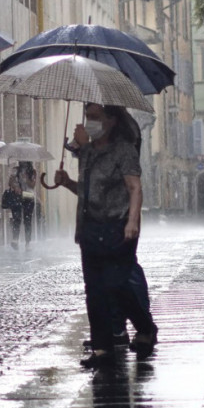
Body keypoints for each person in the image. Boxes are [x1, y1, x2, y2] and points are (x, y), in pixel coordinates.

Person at [54, 103, 158, 369]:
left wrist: (132, 221)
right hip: (90, 228)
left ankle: (145, 327)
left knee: (116, 285)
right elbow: (90, 192)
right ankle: (102, 348)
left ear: (111, 121)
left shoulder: (123, 150)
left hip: (118, 226)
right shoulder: (87, 153)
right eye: (88, 117)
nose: (89, 122)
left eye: (95, 117)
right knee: (94, 291)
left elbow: (134, 188)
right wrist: (66, 182)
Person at [1, 176, 25, 250]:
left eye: (16, 183)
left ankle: (15, 240)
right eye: (14, 182)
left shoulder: (20, 192)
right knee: (15, 223)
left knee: (16, 223)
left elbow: (24, 202)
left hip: (17, 212)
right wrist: (10, 206)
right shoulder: (7, 192)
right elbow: (3, 203)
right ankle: (14, 240)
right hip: (11, 212)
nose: (15, 184)